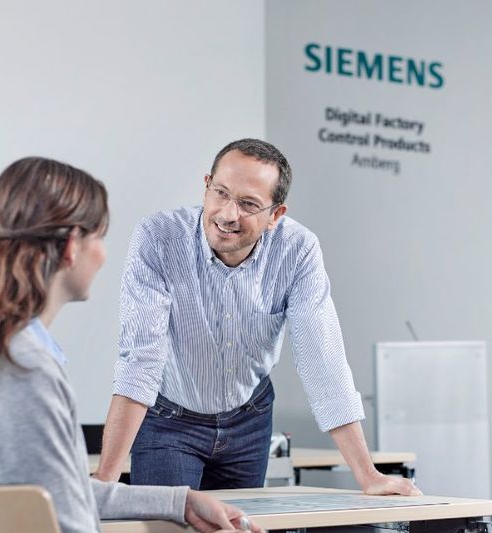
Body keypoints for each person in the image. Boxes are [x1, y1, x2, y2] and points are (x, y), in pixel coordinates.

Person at [0, 157, 267, 533]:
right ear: (70, 247)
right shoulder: (21, 371)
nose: (103, 255)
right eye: (99, 238)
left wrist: (180, 502)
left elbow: (59, 494)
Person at [93, 138, 419, 498]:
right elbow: (141, 359)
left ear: (275, 215)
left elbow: (323, 361)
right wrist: (105, 484)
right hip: (170, 422)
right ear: (206, 185)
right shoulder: (159, 238)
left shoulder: (298, 250)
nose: (228, 214)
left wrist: (368, 475)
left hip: (249, 422)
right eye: (220, 193)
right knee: (166, 532)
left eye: (248, 204)